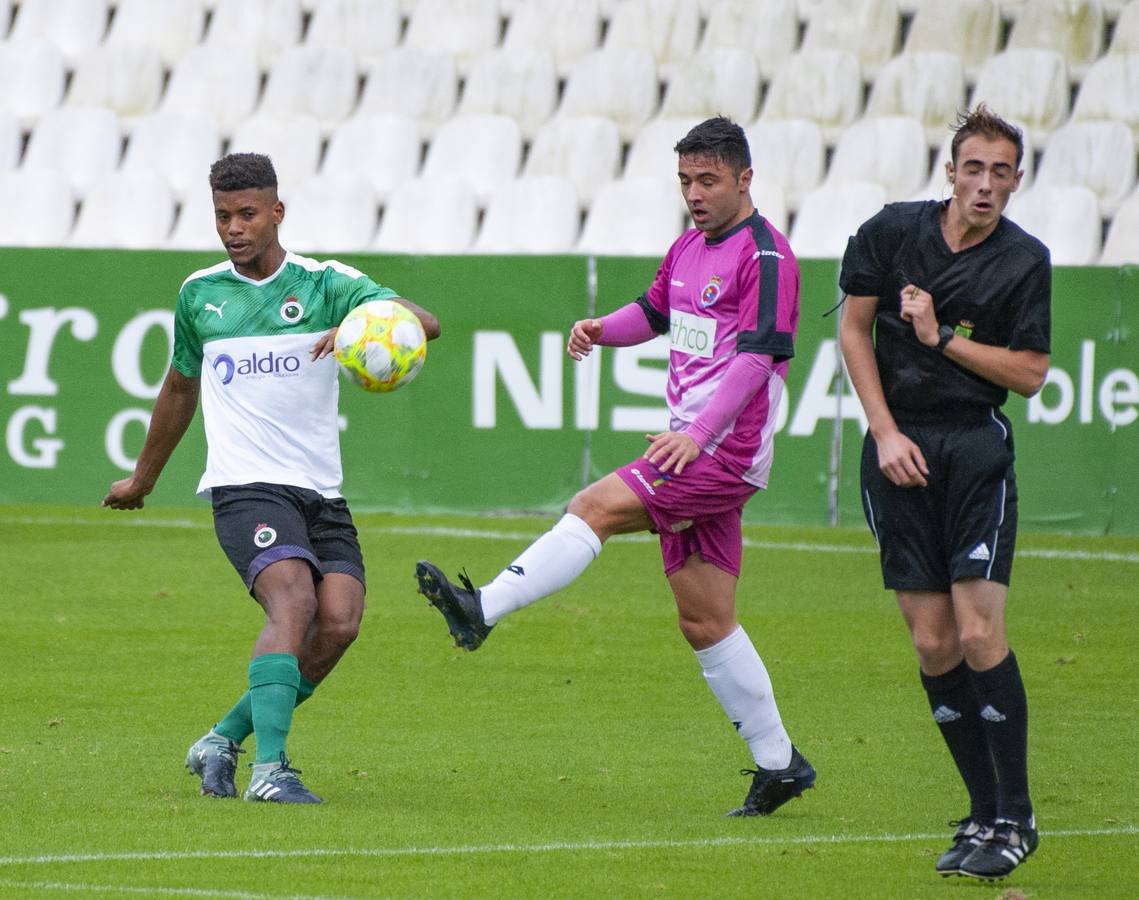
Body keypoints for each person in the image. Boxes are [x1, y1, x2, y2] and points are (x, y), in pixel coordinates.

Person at [415, 116, 814, 817]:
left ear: (745, 179)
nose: (694, 193)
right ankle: (779, 764)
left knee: (593, 506)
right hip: (694, 445)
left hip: (720, 450)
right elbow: (654, 312)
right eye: (685, 180)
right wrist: (603, 329)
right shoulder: (689, 245)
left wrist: (697, 432)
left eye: (708, 181)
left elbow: (758, 358)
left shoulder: (767, 257)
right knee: (705, 619)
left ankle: (483, 609)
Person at [102, 152, 440, 804]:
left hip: (319, 489)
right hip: (244, 485)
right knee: (294, 603)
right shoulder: (200, 295)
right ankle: (271, 771)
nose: (234, 228)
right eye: (223, 216)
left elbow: (425, 324)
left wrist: (357, 325)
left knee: (339, 623)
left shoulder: (326, 283)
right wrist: (141, 480)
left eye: (247, 214)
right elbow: (179, 386)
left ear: (276, 212)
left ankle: (219, 741)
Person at [838, 104, 1050, 879]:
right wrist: (883, 431)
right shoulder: (890, 233)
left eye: (1001, 172)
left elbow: (1030, 374)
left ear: (1016, 181)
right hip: (896, 449)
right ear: (949, 172)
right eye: (973, 168)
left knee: (977, 633)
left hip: (971, 452)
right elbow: (853, 331)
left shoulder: (1024, 260)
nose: (985, 185)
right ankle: (981, 813)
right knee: (931, 643)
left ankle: (1016, 818)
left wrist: (942, 339)